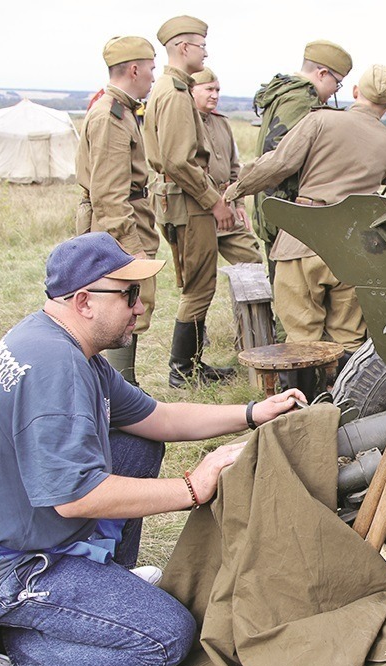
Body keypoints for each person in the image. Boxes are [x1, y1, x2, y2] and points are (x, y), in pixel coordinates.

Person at [0, 233, 306, 666]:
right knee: (167, 638)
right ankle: (11, 649)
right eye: (129, 294)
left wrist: (251, 412)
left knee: (137, 444)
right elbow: (76, 497)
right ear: (84, 301)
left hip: (12, 527)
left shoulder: (65, 345)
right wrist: (193, 486)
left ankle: (105, 584)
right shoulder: (55, 370)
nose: (140, 308)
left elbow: (158, 418)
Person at [223, 65, 386, 358]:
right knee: (348, 339)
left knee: (301, 340)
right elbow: (383, 178)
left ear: (355, 91)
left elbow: (279, 164)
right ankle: (344, 387)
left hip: (304, 239)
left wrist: (236, 189)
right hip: (354, 248)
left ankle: (301, 389)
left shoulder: (320, 120)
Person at [143, 15, 237, 388]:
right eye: (201, 46)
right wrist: (214, 200)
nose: (205, 52)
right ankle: (183, 371)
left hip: (183, 199)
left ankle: (192, 364)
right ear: (184, 48)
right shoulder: (175, 93)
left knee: (199, 283)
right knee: (199, 286)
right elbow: (178, 161)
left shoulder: (171, 88)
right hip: (189, 201)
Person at [74, 36, 159, 386]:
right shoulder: (111, 116)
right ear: (134, 69)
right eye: (151, 69)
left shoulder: (121, 111)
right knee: (120, 306)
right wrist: (130, 249)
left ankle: (122, 387)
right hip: (120, 225)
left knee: (129, 304)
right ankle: (121, 389)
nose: (153, 77)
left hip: (128, 219)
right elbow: (109, 195)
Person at [251, 40, 353, 256]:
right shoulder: (302, 98)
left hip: (277, 204)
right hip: (287, 208)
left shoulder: (286, 91)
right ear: (322, 74)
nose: (335, 91)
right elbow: (280, 151)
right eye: (337, 83)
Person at [191, 67, 263, 268]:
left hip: (226, 204)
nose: (214, 95)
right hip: (198, 207)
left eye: (217, 90)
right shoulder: (186, 124)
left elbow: (234, 168)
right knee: (200, 272)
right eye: (209, 89)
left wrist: (239, 204)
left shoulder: (222, 123)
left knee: (251, 259)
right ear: (192, 91)